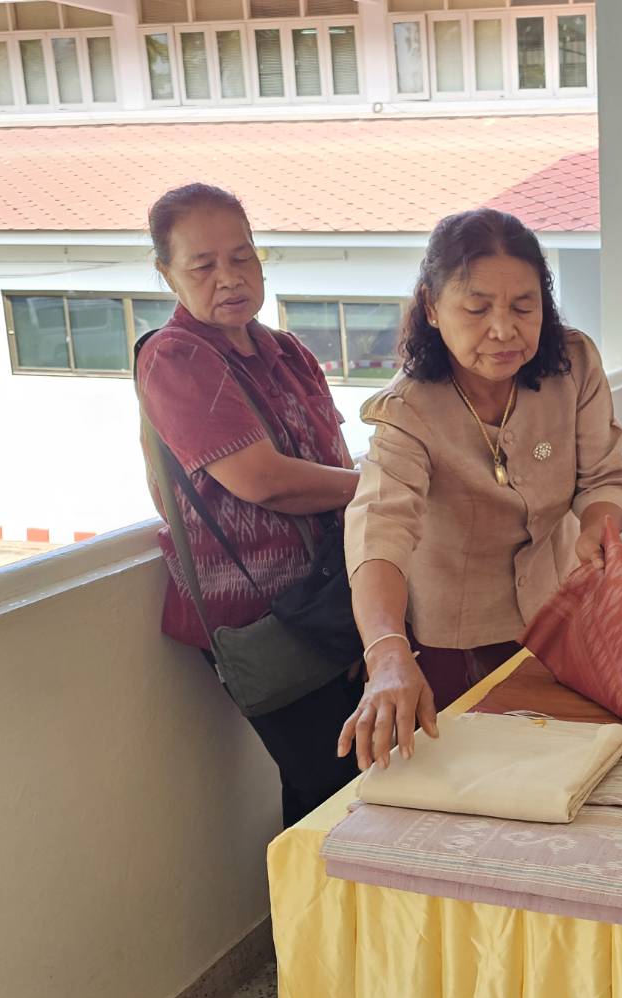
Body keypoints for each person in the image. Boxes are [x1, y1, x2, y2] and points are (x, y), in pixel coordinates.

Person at [341, 209, 622, 772]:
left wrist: (598, 530)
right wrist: (386, 652)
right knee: (479, 780)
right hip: (458, 641)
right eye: (476, 308)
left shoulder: (572, 365)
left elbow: (604, 474)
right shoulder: (408, 411)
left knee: (567, 768)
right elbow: (379, 530)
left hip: (558, 617)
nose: (504, 330)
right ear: (431, 307)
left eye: (524, 307)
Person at [137, 183, 362, 826]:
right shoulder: (175, 358)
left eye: (243, 258)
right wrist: (388, 488)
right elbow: (265, 481)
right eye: (203, 265)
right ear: (167, 275)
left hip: (332, 593)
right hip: (260, 615)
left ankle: (312, 924)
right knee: (333, 785)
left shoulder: (286, 352)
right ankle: (317, 925)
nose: (229, 278)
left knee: (336, 783)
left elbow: (332, 464)